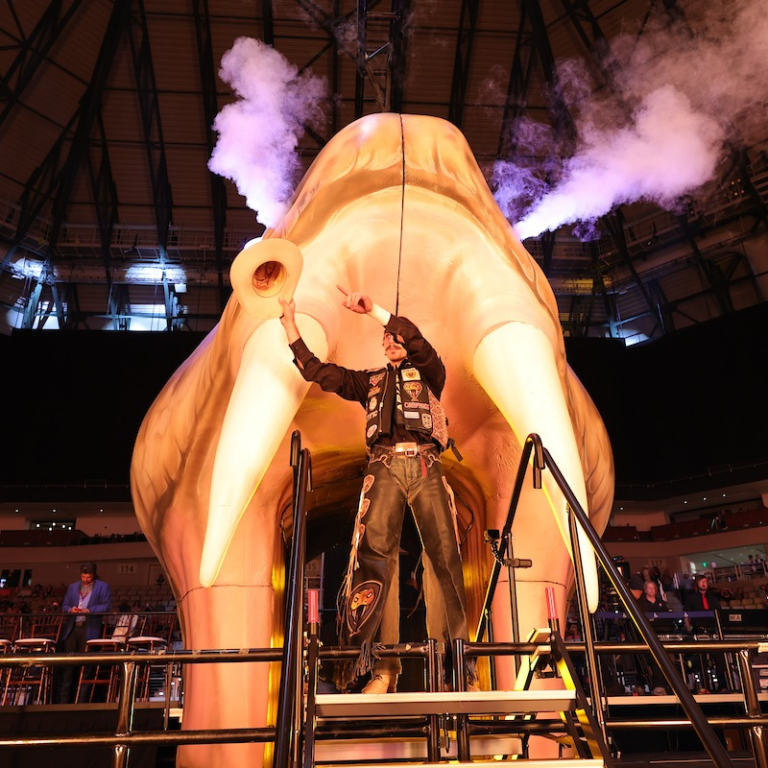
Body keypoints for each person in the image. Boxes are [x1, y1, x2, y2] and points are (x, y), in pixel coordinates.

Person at [279, 286, 474, 694]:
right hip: (383, 465)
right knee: (374, 561)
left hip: (426, 463)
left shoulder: (430, 372)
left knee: (445, 558)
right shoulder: (369, 382)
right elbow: (320, 372)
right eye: (387, 339)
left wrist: (376, 313)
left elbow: (417, 339)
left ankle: (457, 666)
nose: (391, 341)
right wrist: (291, 325)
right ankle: (379, 669)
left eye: (395, 337)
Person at [57, 562, 112, 703]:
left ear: (93, 575)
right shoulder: (73, 587)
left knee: (87, 668)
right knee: (68, 666)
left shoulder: (102, 587)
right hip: (73, 628)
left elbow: (106, 606)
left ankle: (81, 702)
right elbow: (65, 605)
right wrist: (70, 610)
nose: (85, 579)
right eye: (83, 576)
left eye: (88, 577)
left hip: (90, 629)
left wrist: (90, 610)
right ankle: (63, 703)